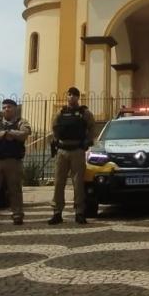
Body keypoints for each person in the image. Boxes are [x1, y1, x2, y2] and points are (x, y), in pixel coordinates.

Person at [48, 87, 98, 224]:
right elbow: (54, 126)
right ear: (67, 96)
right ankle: (57, 212)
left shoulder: (84, 113)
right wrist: (56, 140)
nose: (71, 97)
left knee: (78, 183)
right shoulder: (61, 112)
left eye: (74, 95)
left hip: (77, 150)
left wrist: (87, 141)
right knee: (59, 182)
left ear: (78, 97)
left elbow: (93, 127)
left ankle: (80, 212)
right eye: (69, 95)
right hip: (62, 150)